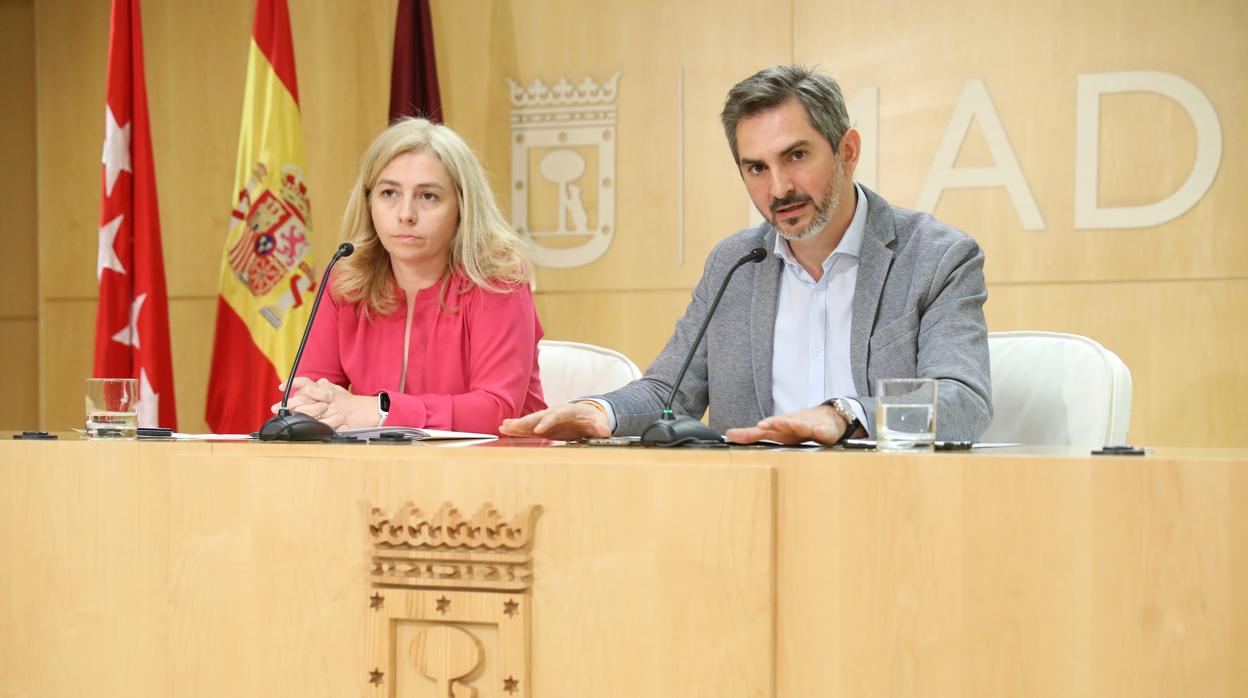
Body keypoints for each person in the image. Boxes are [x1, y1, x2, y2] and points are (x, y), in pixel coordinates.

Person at [501, 65, 990, 445]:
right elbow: (667, 394)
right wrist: (601, 412)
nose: (778, 188)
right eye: (756, 167)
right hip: (751, 518)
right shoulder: (735, 263)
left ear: (847, 150)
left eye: (796, 156)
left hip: (885, 511)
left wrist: (842, 415)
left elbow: (961, 402)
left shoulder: (936, 257)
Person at [276, 117, 546, 434]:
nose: (405, 214)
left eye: (428, 196)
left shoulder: (496, 280)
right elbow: (309, 388)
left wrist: (380, 411)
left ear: (462, 206)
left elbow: (496, 411)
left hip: (495, 470)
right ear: (368, 202)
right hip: (376, 470)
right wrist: (311, 406)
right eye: (389, 193)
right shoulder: (347, 279)